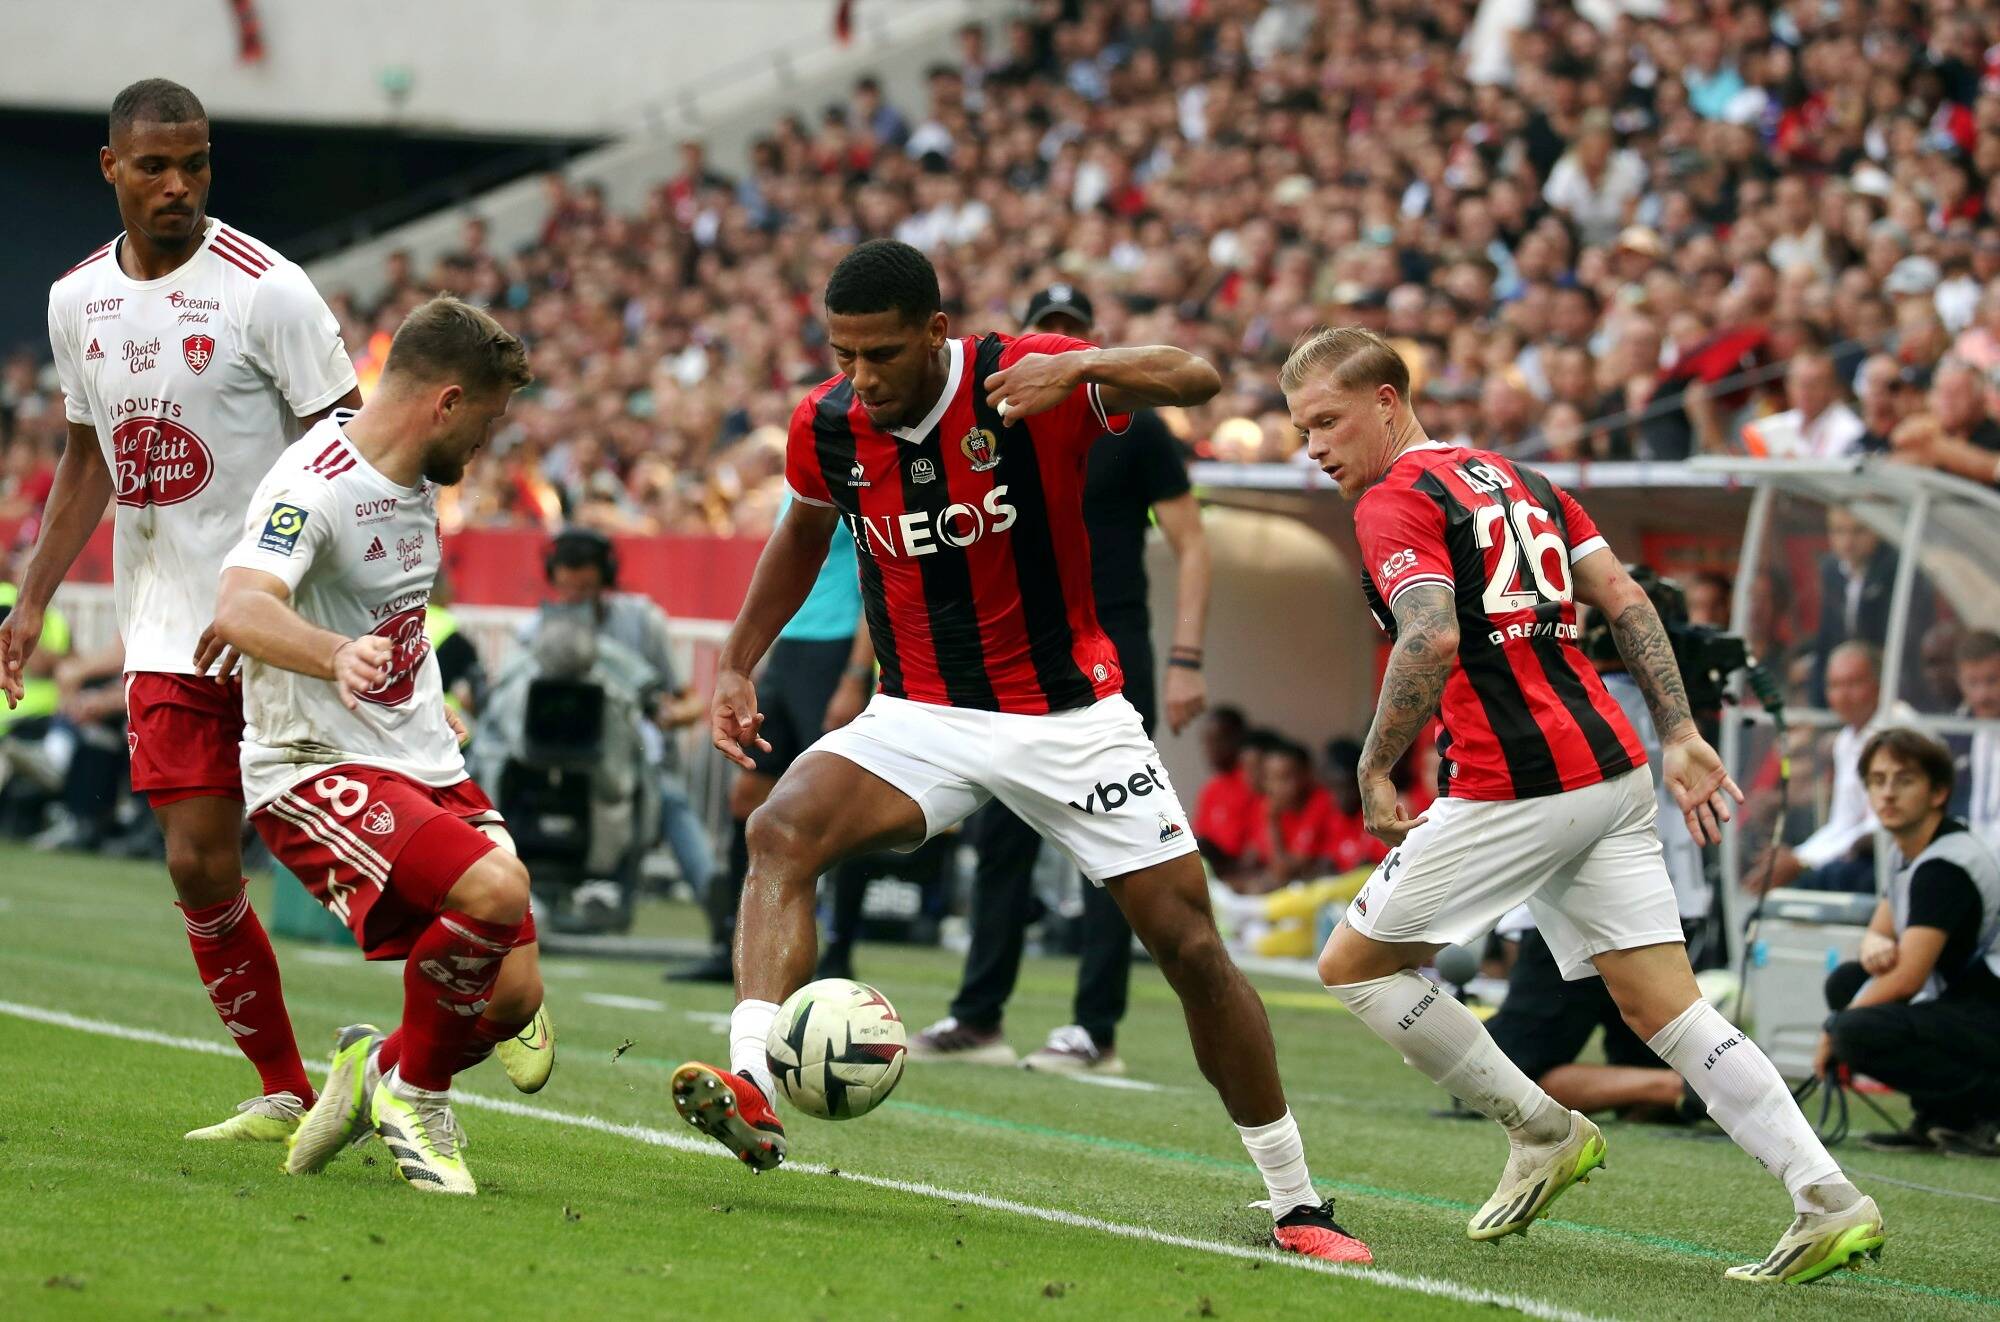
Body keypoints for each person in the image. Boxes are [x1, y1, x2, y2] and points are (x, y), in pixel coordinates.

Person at [671, 239, 1369, 1263]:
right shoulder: (826, 423)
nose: (860, 376)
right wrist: (736, 659)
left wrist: (1082, 366)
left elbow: (1198, 376)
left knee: (1187, 946)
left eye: (881, 353)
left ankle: (1297, 1198)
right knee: (779, 828)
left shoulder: (1022, 374)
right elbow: (802, 533)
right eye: (843, 352)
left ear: (936, 334)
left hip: (1067, 719)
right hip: (918, 711)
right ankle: (751, 1081)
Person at [1285, 325, 1882, 1283]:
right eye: (1301, 428)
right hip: (1613, 767)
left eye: (1328, 421)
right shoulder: (1523, 477)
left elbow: (1431, 639)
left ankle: (1541, 1130)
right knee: (1668, 1008)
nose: (1313, 447)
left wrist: (1373, 764)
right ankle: (1828, 1199)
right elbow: (1627, 597)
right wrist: (1679, 729)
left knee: (1354, 965)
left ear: (1390, 402)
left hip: (1515, 783)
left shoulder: (1396, 499)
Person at [1, 79, 362, 1141]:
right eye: (155, 165)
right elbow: (86, 460)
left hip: (281, 621)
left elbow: (348, 456)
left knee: (344, 848)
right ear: (110, 167)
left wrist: (283, 585)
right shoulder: (77, 301)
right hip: (167, 627)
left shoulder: (270, 290)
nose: (178, 185)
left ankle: (486, 977)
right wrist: (30, 603)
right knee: (199, 863)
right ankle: (287, 1085)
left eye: (196, 163)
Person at [208, 296, 551, 1196]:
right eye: (487, 418)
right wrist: (331, 654)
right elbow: (242, 607)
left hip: (424, 758)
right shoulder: (314, 483)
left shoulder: (415, 486)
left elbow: (385, 615)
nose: (489, 442)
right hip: (312, 766)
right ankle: (420, 1101)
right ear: (445, 402)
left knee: (513, 997)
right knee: (496, 887)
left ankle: (374, 1072)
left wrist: (422, 697)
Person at [909, 282, 1212, 1073]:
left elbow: (1193, 543)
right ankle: (978, 1017)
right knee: (1001, 835)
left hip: (1114, 644)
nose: (1058, 342)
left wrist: (1186, 658)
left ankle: (1094, 1030)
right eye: (1047, 329)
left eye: (1073, 331)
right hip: (1019, 651)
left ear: (1091, 339)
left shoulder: (1131, 425)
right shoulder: (982, 416)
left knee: (1120, 846)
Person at [670, 494, 873, 983]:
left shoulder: (859, 465)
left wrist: (855, 674)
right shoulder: (805, 467)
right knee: (748, 797)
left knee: (843, 807)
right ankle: (735, 946)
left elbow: (876, 581)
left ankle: (840, 949)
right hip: (790, 651)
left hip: (835, 652)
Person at [1817, 729, 2000, 1157]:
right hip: (1969, 1003)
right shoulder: (1913, 848)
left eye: (1904, 780)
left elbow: (1908, 978)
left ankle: (1982, 1108)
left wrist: (1832, 1032)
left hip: (1991, 1007)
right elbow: (1882, 928)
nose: (1888, 793)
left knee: (1854, 1028)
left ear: (1938, 792)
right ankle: (1941, 1117)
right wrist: (1872, 944)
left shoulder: (1945, 866)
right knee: (1847, 981)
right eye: (1878, 781)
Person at [527, 527, 714, 920]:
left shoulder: (643, 621)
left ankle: (714, 893)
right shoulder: (535, 631)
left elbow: (690, 703)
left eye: (585, 588)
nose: (575, 598)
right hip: (554, 761)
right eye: (568, 589)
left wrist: (667, 716)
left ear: (605, 578)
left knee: (668, 797)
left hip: (631, 758)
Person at [1750, 642, 1915, 894]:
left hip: (1894, 857)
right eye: (1835, 686)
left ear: (1879, 685)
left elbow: (1880, 827)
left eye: (1853, 684)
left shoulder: (1898, 728)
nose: (1843, 696)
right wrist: (1798, 856)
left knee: (1812, 882)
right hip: (1857, 853)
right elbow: (1843, 822)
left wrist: (1802, 862)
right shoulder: (1846, 740)